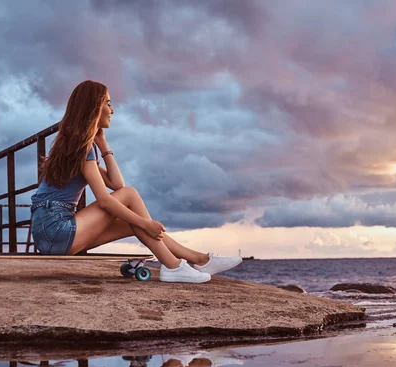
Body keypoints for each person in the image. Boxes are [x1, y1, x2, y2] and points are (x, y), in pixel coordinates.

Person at [30, 80, 243, 283]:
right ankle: (173, 266)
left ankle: (200, 260)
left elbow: (116, 184)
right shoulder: (83, 147)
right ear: (94, 107)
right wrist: (146, 223)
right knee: (133, 201)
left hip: (48, 233)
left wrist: (103, 144)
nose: (112, 111)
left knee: (132, 223)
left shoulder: (77, 145)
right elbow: (108, 199)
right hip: (56, 229)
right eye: (109, 104)